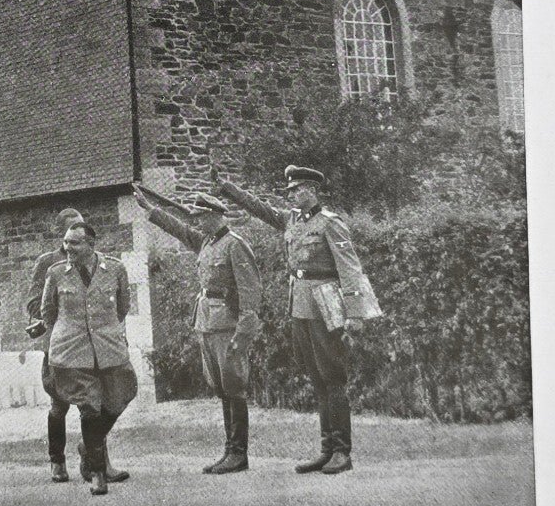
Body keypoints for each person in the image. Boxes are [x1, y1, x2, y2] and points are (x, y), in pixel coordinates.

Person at [218, 166, 382, 474]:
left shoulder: (330, 224)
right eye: (290, 192)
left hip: (324, 306)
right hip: (300, 306)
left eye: (297, 190)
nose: (292, 195)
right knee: (316, 377)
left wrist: (355, 313)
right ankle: (326, 448)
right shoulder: (290, 220)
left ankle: (342, 452)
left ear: (312, 190)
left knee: (333, 376)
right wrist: (228, 188)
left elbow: (350, 269)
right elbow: (258, 207)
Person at [133, 183, 261, 473]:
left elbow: (251, 294)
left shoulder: (234, 244)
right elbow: (179, 229)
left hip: (228, 325)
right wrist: (149, 209)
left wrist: (244, 333)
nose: (198, 222)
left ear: (217, 216)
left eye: (202, 217)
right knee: (222, 389)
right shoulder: (207, 242)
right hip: (207, 323)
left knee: (234, 387)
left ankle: (238, 453)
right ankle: (230, 450)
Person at [26, 207, 130, 484]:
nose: (70, 243)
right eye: (69, 233)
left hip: (99, 343)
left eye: (80, 229)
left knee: (99, 402)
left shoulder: (107, 266)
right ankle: (57, 461)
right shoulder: (50, 265)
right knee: (59, 406)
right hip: (63, 347)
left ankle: (98, 462)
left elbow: (121, 308)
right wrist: (61, 323)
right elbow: (37, 305)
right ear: (61, 234)